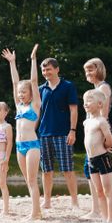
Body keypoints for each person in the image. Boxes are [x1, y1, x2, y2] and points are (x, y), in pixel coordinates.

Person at [1, 44, 42, 220]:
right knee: (28, 181)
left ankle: (36, 213)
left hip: (32, 145)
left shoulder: (35, 104)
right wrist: (12, 62)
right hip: (19, 146)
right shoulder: (18, 106)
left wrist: (33, 59)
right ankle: (36, 210)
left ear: (31, 93)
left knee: (32, 180)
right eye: (19, 93)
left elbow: (33, 81)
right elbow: (15, 82)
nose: (20, 94)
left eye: (24, 92)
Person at [38, 58, 79, 209]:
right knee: (46, 170)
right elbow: (37, 112)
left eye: (48, 69)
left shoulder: (68, 86)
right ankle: (47, 201)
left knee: (67, 169)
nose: (46, 73)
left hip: (63, 133)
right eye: (43, 70)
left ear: (57, 69)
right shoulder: (40, 89)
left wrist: (72, 131)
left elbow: (74, 109)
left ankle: (74, 201)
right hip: (44, 134)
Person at [82, 58, 112, 220]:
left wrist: (103, 138)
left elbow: (104, 113)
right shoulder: (94, 89)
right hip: (91, 132)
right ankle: (96, 209)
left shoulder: (103, 88)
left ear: (99, 69)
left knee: (98, 171)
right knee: (89, 171)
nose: (88, 73)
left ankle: (98, 211)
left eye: (91, 70)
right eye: (86, 70)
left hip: (99, 133)